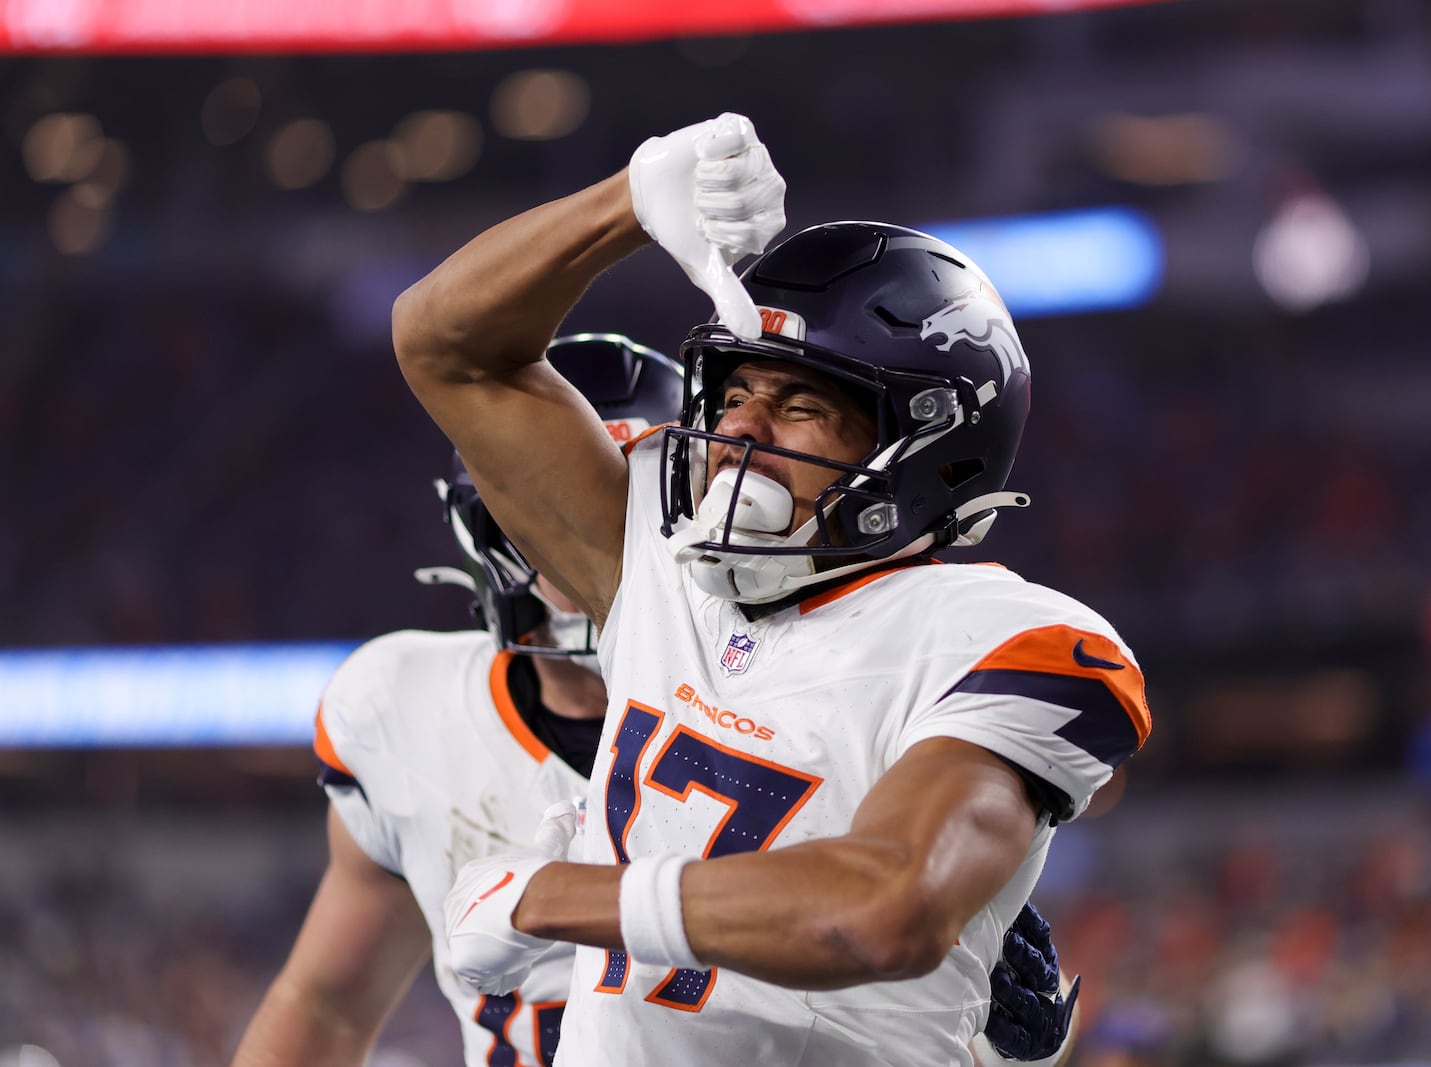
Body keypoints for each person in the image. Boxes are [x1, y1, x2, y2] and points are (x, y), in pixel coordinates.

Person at [395, 111, 1148, 1066]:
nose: (741, 434)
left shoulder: (998, 635)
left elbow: (885, 908)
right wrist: (625, 203)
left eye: (800, 406)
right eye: (735, 394)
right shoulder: (658, 562)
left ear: (929, 453)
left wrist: (550, 897)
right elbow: (444, 345)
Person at [230, 333, 1078, 1067]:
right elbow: (326, 1003)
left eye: (614, 508)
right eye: (536, 516)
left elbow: (888, 936)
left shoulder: (842, 697)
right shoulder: (404, 706)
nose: (571, 550)